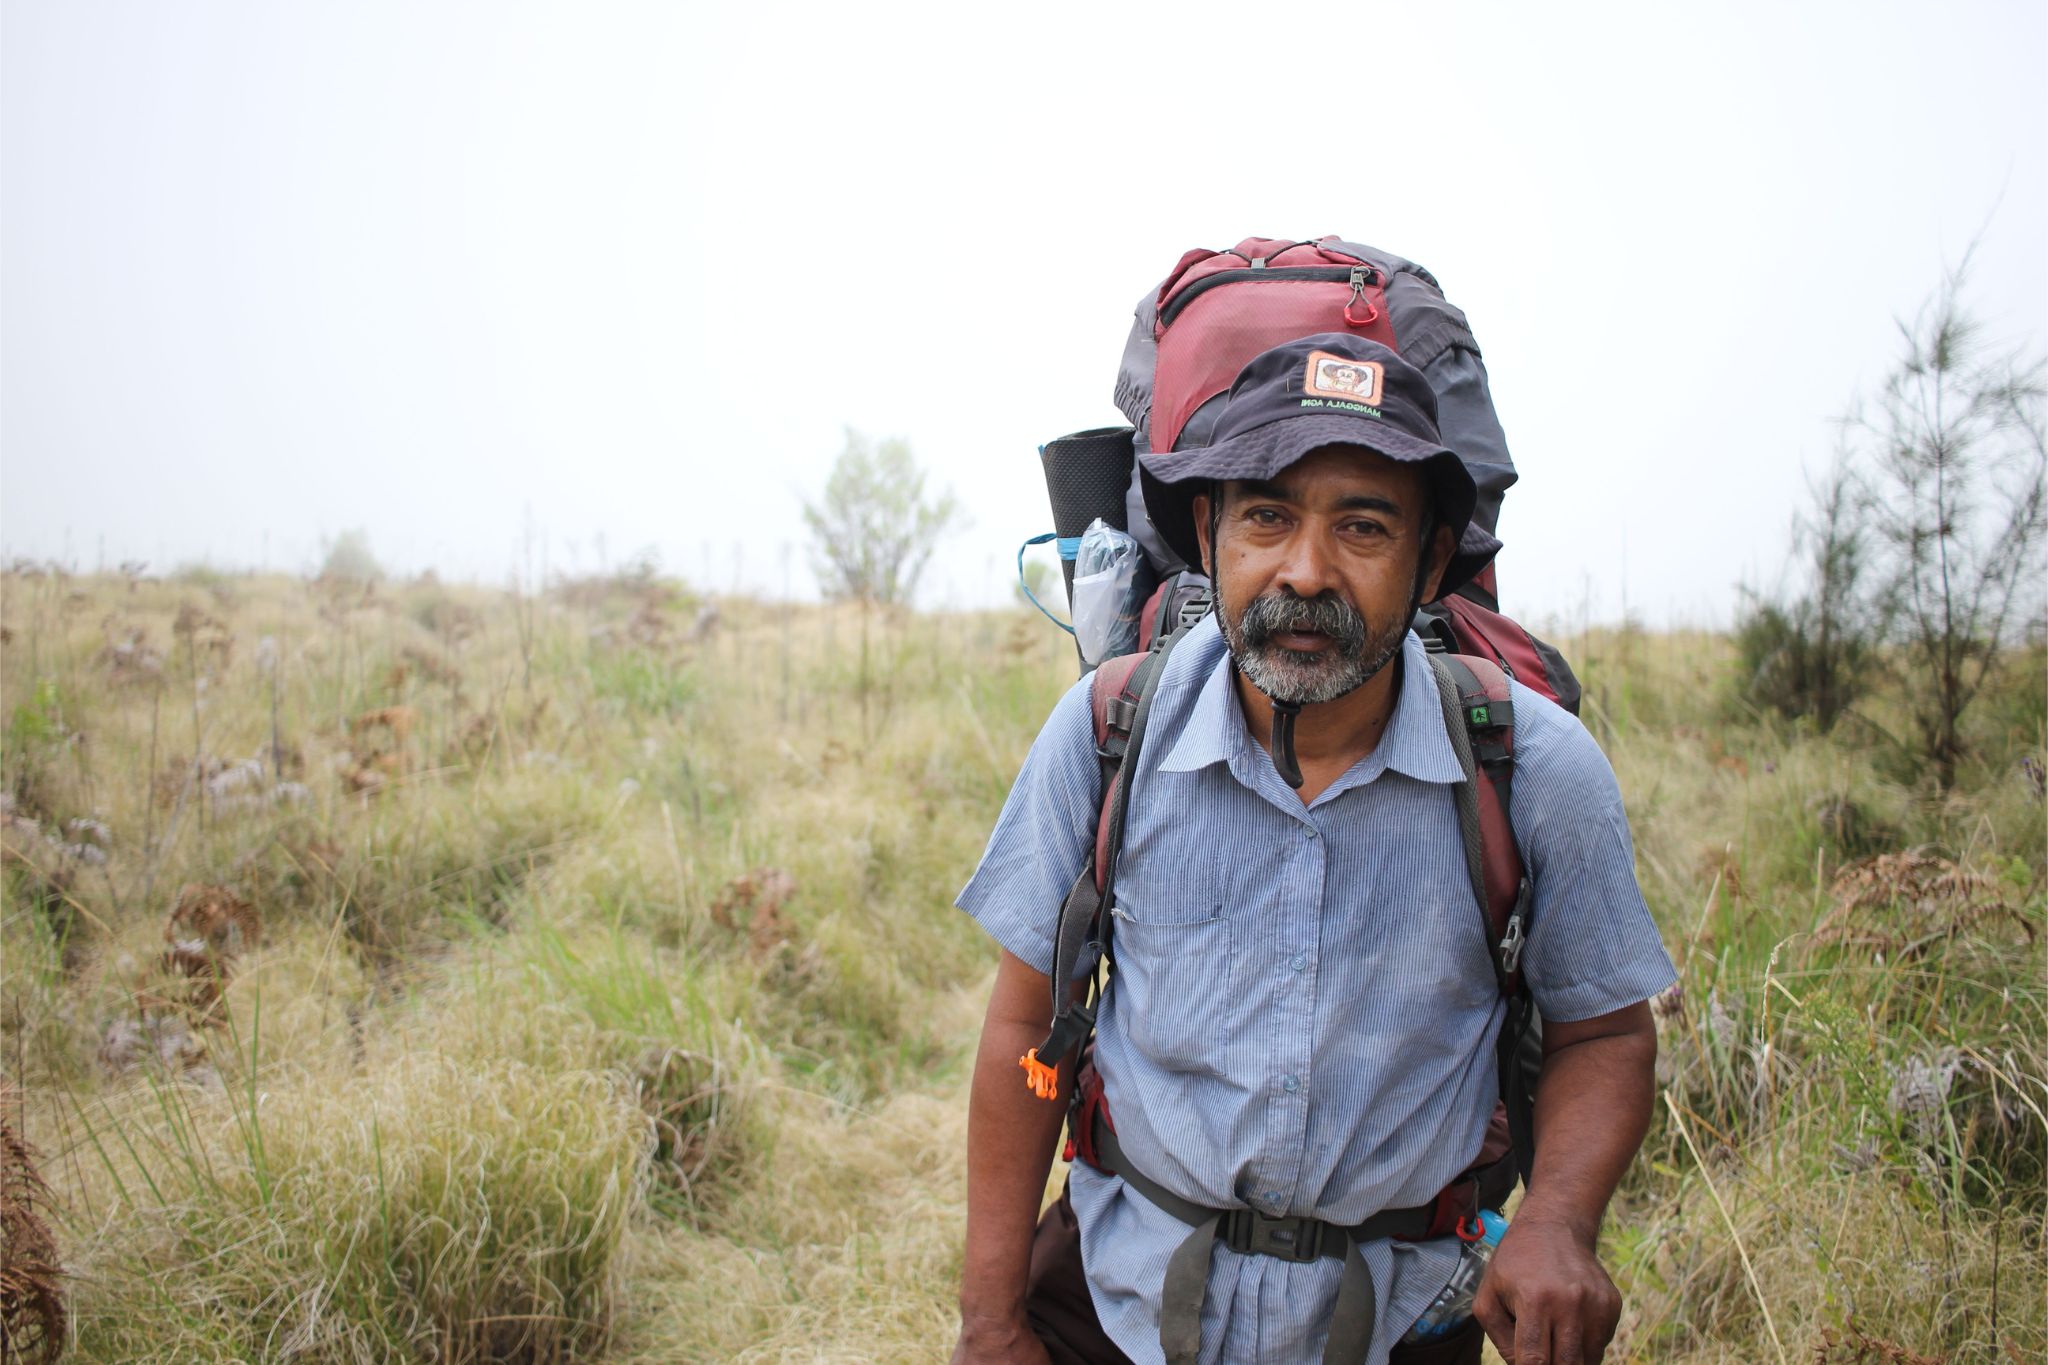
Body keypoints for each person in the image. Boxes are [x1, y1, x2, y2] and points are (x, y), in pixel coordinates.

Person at [951, 334, 1676, 1365]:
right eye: (1265, 516)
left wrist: (1558, 1221)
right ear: (1207, 533)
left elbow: (1602, 1034)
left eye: (1363, 527)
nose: (1304, 568)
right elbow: (1026, 1030)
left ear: (1430, 559)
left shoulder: (1530, 769)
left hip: (1403, 1319)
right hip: (1117, 1304)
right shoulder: (1111, 732)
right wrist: (990, 1321)